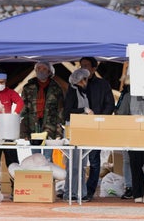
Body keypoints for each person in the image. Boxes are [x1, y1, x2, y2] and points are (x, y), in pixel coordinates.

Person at [78, 57, 115, 201]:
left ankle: (89, 191)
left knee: (93, 160)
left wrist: (100, 120)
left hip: (97, 127)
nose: (83, 68)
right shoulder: (76, 84)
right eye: (81, 66)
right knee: (77, 160)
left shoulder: (103, 84)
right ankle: (76, 189)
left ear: (94, 68)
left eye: (86, 66)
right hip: (80, 126)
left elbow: (110, 104)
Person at [20, 61, 64, 161]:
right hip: (33, 127)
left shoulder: (56, 89)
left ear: (49, 72)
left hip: (50, 127)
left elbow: (60, 112)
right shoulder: (28, 88)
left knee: (47, 158)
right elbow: (23, 110)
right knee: (36, 157)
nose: (41, 71)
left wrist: (59, 133)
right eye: (38, 69)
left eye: (44, 69)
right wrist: (24, 132)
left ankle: (48, 177)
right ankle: (38, 175)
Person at [62, 68, 92, 202]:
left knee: (82, 164)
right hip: (72, 130)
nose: (86, 82)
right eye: (84, 79)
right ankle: (69, 192)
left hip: (83, 130)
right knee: (73, 164)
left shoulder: (84, 93)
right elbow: (67, 112)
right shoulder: (72, 93)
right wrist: (84, 110)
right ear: (79, 80)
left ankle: (80, 191)